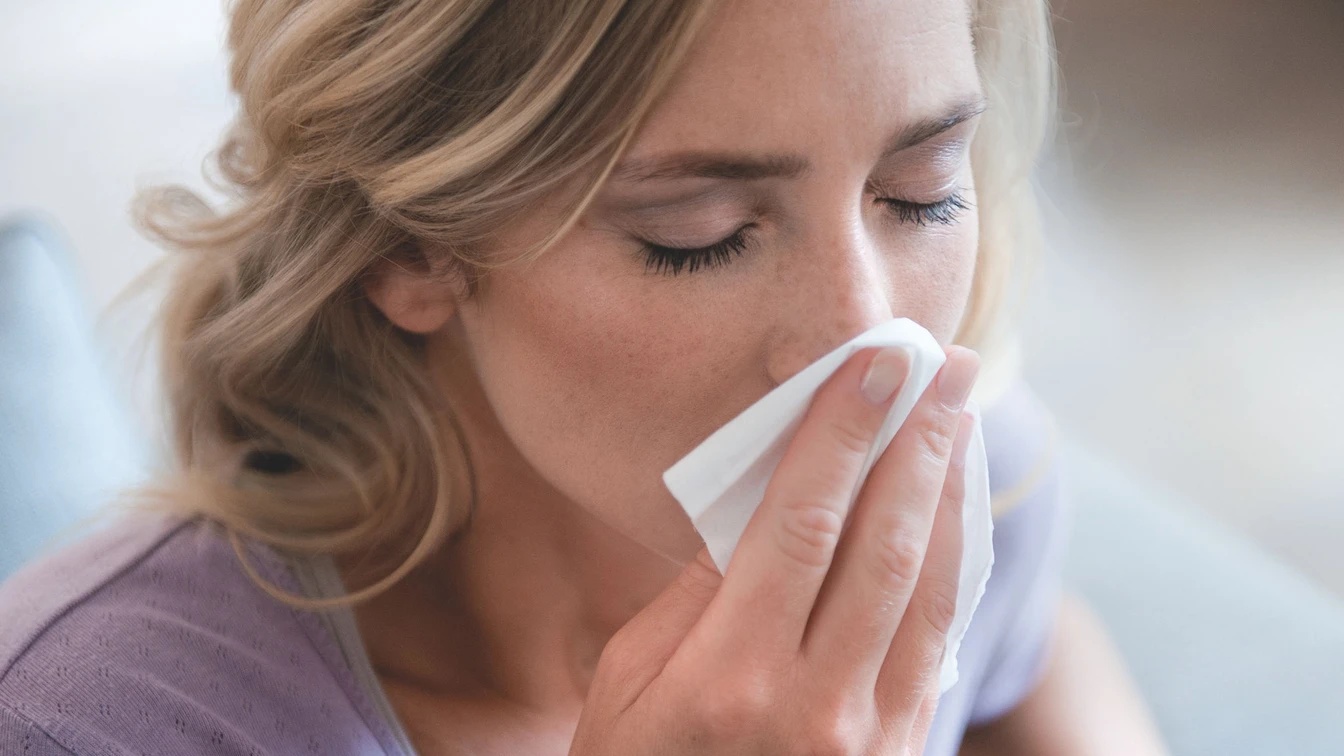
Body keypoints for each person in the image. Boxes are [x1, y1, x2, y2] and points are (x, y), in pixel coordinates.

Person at [0, 0, 1169, 753]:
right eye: (701, 234)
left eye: (921, 193)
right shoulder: (89, 721)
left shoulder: (972, 481)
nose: (866, 340)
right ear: (405, 248)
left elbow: (1031, 653)